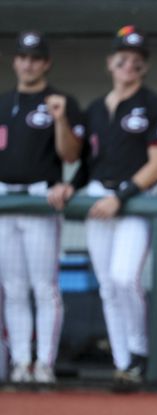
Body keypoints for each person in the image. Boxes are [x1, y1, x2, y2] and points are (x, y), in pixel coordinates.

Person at [76, 26, 157, 391]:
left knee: (123, 278)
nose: (129, 64)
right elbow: (86, 161)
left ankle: (138, 351)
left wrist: (123, 194)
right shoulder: (95, 109)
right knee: (107, 286)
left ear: (144, 66)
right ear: (110, 62)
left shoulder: (154, 105)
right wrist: (71, 186)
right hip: (98, 199)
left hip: (134, 202)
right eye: (123, 57)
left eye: (137, 59)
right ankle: (123, 363)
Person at [0, 31, 84, 384]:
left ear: (46, 62)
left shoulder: (62, 101)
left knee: (44, 286)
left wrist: (60, 118)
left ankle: (44, 363)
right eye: (23, 56)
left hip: (40, 198)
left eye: (35, 57)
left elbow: (70, 155)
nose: (29, 63)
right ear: (16, 60)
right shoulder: (4, 102)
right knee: (13, 287)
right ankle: (21, 362)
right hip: (5, 199)